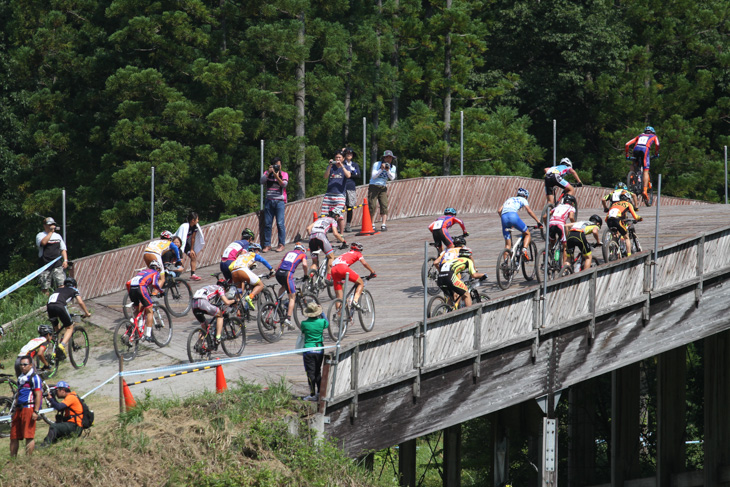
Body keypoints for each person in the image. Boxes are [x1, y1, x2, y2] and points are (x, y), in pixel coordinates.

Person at [47, 277, 91, 359]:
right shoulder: (74, 290)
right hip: (60, 306)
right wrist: (87, 313)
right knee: (70, 327)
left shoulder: (58, 289)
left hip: (49, 307)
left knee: (58, 330)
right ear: (74, 285)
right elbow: (80, 302)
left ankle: (55, 351)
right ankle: (61, 346)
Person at [498, 188, 542, 263]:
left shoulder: (510, 199)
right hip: (513, 216)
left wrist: (507, 221)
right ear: (525, 196)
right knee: (527, 233)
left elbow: (499, 210)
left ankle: (505, 264)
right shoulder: (523, 199)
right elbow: (529, 210)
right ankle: (524, 250)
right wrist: (538, 221)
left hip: (503, 217)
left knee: (507, 246)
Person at [10, 357, 43, 457]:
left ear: (30, 365)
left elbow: (38, 394)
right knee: (14, 436)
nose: (22, 367)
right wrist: (14, 410)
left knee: (29, 435)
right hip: (19, 408)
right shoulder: (20, 377)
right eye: (21, 365)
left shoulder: (35, 377)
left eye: (25, 364)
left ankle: (28, 459)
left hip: (29, 408)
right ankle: (13, 458)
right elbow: (18, 393)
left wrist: (36, 411)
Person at [229, 243, 274, 311]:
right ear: (253, 249)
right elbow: (263, 261)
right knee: (260, 285)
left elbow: (230, 267)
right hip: (242, 270)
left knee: (239, 295)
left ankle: (238, 315)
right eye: (258, 250)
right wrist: (271, 269)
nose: (258, 252)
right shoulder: (253, 254)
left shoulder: (241, 256)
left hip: (234, 272)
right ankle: (250, 297)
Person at [330, 242, 376, 308]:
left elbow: (331, 264)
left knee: (339, 297)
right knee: (361, 283)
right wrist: (372, 271)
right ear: (359, 250)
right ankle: (355, 301)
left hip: (333, 270)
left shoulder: (345, 253)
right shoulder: (358, 253)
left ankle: (338, 316)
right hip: (342, 268)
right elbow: (364, 263)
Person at [192, 279, 237, 346]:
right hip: (202, 302)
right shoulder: (220, 288)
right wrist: (234, 301)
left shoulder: (209, 287)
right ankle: (218, 337)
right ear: (225, 288)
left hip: (194, 304)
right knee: (220, 315)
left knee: (204, 326)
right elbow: (226, 302)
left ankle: (199, 345)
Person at [275, 243, 309, 330]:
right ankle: (288, 319)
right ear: (302, 249)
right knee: (292, 298)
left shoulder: (288, 253)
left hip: (279, 273)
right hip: (288, 274)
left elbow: (277, 267)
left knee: (283, 287)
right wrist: (305, 275)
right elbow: (305, 265)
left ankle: (278, 303)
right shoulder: (302, 254)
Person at [125, 263, 163, 340]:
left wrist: (131, 295)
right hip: (141, 288)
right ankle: (148, 335)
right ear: (158, 269)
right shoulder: (155, 272)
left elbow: (128, 283)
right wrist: (161, 291)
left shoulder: (142, 272)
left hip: (132, 289)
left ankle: (132, 323)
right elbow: (155, 284)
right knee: (149, 310)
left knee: (137, 308)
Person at [300, 302, 328, 402]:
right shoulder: (321, 322)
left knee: (310, 373)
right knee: (317, 372)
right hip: (319, 349)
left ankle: (312, 394)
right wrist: (323, 313)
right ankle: (320, 392)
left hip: (308, 350)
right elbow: (327, 323)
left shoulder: (304, 324)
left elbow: (303, 331)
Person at [306, 211, 347, 279]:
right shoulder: (333, 220)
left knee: (314, 262)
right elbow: (335, 234)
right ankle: (328, 278)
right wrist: (343, 241)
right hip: (321, 236)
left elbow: (308, 228)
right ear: (336, 216)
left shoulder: (319, 219)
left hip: (312, 237)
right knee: (331, 257)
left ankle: (309, 279)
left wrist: (311, 235)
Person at [41, 381, 83, 446]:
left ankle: (45, 444)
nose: (56, 393)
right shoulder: (70, 397)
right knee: (58, 427)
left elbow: (59, 407)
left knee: (54, 426)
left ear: (63, 390)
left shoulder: (71, 397)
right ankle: (50, 442)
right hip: (74, 426)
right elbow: (58, 406)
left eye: (57, 390)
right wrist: (52, 399)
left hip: (75, 426)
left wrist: (51, 399)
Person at [260, 157, 289, 252]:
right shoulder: (267, 174)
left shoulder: (284, 174)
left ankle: (281, 244)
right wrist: (269, 172)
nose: (278, 167)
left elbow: (284, 184)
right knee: (268, 224)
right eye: (276, 165)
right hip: (269, 201)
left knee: (280, 224)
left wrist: (277, 176)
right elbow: (261, 181)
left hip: (280, 202)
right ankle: (267, 244)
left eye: (279, 165)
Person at [36, 217, 69, 295]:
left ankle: (60, 300)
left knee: (61, 284)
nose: (52, 226)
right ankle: (46, 303)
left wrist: (65, 260)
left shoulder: (57, 236)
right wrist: (50, 233)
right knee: (45, 287)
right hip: (45, 265)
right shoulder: (40, 235)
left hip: (57, 264)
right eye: (49, 224)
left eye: (53, 224)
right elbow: (43, 243)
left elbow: (63, 249)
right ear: (45, 225)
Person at [625, 126, 660, 200]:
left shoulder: (640, 135)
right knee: (645, 171)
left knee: (633, 163)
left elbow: (627, 144)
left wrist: (627, 155)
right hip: (645, 150)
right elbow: (657, 144)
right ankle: (644, 190)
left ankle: (631, 176)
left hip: (636, 149)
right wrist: (656, 153)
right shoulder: (654, 136)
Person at [321, 151, 350, 234]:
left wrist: (342, 166)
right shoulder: (332, 167)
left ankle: (341, 234)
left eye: (339, 157)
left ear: (343, 158)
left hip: (340, 195)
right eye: (336, 157)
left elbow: (348, 175)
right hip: (329, 194)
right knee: (325, 215)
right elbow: (325, 176)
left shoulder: (346, 167)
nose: (338, 159)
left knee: (340, 216)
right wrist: (329, 166)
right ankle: (323, 234)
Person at [368, 150, 397, 231]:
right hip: (374, 186)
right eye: (387, 157)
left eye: (390, 158)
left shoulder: (393, 167)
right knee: (372, 205)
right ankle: (372, 224)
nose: (388, 159)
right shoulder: (377, 164)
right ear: (384, 158)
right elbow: (373, 176)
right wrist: (381, 169)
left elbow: (392, 178)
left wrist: (388, 170)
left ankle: (383, 224)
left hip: (383, 187)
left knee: (384, 205)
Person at [548, 194, 577, 268]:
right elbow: (571, 217)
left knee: (551, 243)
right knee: (565, 246)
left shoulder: (558, 206)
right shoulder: (571, 208)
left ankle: (547, 259)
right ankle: (564, 267)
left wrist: (546, 224)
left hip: (551, 223)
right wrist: (574, 224)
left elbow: (546, 215)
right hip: (560, 225)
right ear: (572, 203)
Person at [175, 211, 205, 281]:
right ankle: (177, 276)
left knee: (193, 255)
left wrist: (191, 249)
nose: (198, 221)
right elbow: (179, 238)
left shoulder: (195, 227)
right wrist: (180, 250)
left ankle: (193, 274)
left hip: (185, 244)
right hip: (177, 243)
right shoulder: (184, 226)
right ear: (193, 220)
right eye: (197, 219)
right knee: (180, 259)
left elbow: (193, 238)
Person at [342, 147, 361, 233]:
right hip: (341, 187)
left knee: (350, 206)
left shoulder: (354, 165)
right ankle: (339, 224)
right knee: (340, 207)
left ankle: (348, 224)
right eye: (347, 154)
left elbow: (358, 175)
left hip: (351, 186)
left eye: (350, 154)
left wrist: (350, 174)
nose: (349, 155)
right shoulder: (342, 163)